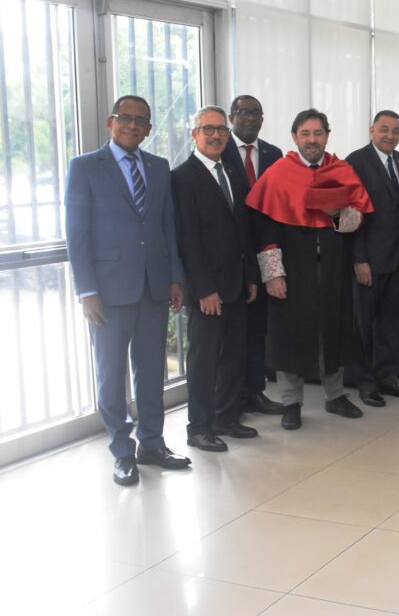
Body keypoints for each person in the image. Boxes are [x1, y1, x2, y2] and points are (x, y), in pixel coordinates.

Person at [65, 95, 189, 485]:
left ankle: (152, 443)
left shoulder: (159, 166)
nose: (133, 126)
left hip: (154, 286)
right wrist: (87, 290)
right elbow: (77, 233)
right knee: (110, 375)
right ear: (110, 122)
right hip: (109, 291)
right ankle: (122, 450)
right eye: (125, 118)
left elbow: (167, 225)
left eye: (141, 121)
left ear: (150, 129)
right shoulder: (85, 167)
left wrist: (174, 277)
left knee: (151, 372)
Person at [246, 108, 372, 430]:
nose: (312, 140)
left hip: (332, 265)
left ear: (327, 136)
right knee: (290, 333)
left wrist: (333, 213)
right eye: (306, 134)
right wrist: (273, 274)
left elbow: (357, 221)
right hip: (292, 266)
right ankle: (291, 402)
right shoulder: (277, 173)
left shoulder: (341, 170)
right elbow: (265, 229)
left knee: (334, 328)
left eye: (318, 134)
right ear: (294, 137)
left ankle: (335, 396)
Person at [171, 106, 260, 452]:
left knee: (234, 355)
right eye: (208, 129)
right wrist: (203, 289)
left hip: (238, 284)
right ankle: (199, 427)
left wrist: (251, 276)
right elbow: (187, 239)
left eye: (221, 129)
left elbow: (244, 231)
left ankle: (226, 417)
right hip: (208, 289)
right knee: (204, 361)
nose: (216, 135)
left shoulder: (233, 173)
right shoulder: (182, 177)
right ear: (195, 134)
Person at [346, 110, 399, 406]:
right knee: (364, 325)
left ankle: (388, 378)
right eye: (384, 129)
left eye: (396, 130)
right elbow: (351, 214)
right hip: (369, 261)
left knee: (391, 322)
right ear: (371, 130)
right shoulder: (356, 162)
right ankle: (365, 382)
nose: (391, 135)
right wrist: (359, 259)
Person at [220, 95, 284, 417]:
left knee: (259, 326)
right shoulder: (219, 150)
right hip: (232, 255)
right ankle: (232, 397)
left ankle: (255, 390)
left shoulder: (274, 154)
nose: (249, 118)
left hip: (265, 251)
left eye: (255, 113)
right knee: (234, 332)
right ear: (231, 117)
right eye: (242, 113)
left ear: (262, 118)